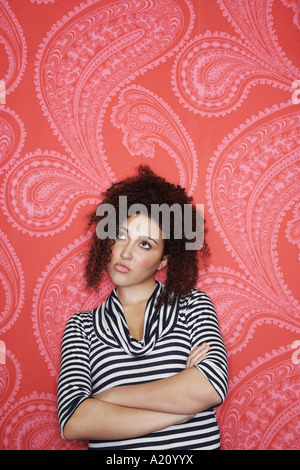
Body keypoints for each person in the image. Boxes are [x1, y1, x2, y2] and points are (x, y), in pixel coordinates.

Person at [57, 165, 228, 450]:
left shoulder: (193, 305)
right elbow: (73, 421)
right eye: (122, 236)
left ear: (163, 261)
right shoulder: (81, 327)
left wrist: (108, 396)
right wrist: (179, 413)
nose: (125, 252)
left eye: (145, 244)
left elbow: (210, 387)